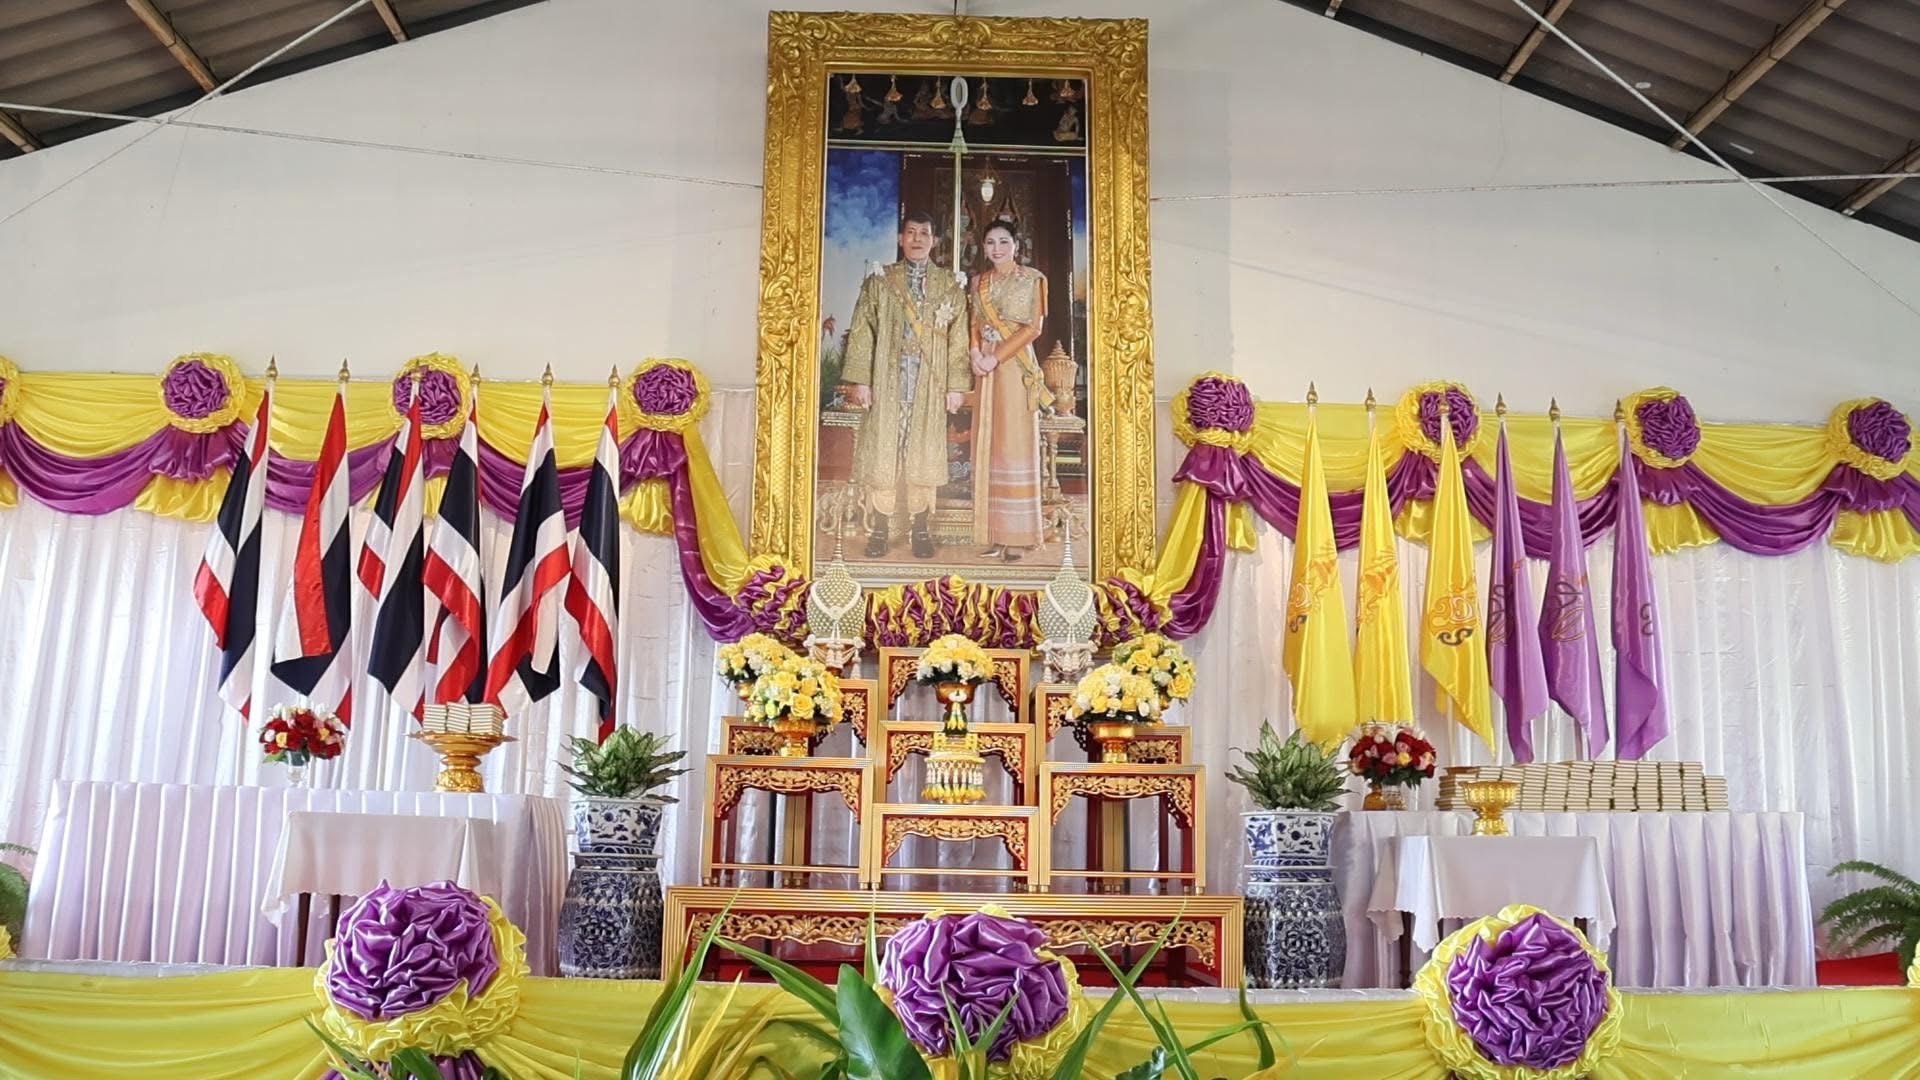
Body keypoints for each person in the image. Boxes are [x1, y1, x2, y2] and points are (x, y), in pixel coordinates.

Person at [839, 208, 971, 559]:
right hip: (887, 382)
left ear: (935, 241)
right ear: (900, 238)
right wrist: (862, 381)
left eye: (924, 233)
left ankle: (921, 530)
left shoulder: (950, 286)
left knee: (924, 455)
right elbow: (863, 331)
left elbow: (958, 339)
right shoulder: (880, 282)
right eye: (911, 232)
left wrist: (955, 386)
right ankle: (879, 531)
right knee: (884, 452)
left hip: (929, 384)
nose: (917, 239)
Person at [967, 219, 1051, 561]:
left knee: (1014, 442)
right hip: (985, 367)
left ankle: (1019, 535)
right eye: (990, 242)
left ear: (1016, 245)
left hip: (1014, 367)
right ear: (983, 247)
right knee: (989, 444)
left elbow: (1033, 328)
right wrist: (975, 352)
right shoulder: (979, 282)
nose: (997, 248)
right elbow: (974, 322)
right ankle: (995, 533)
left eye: (1003, 241)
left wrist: (996, 357)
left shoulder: (1033, 279)